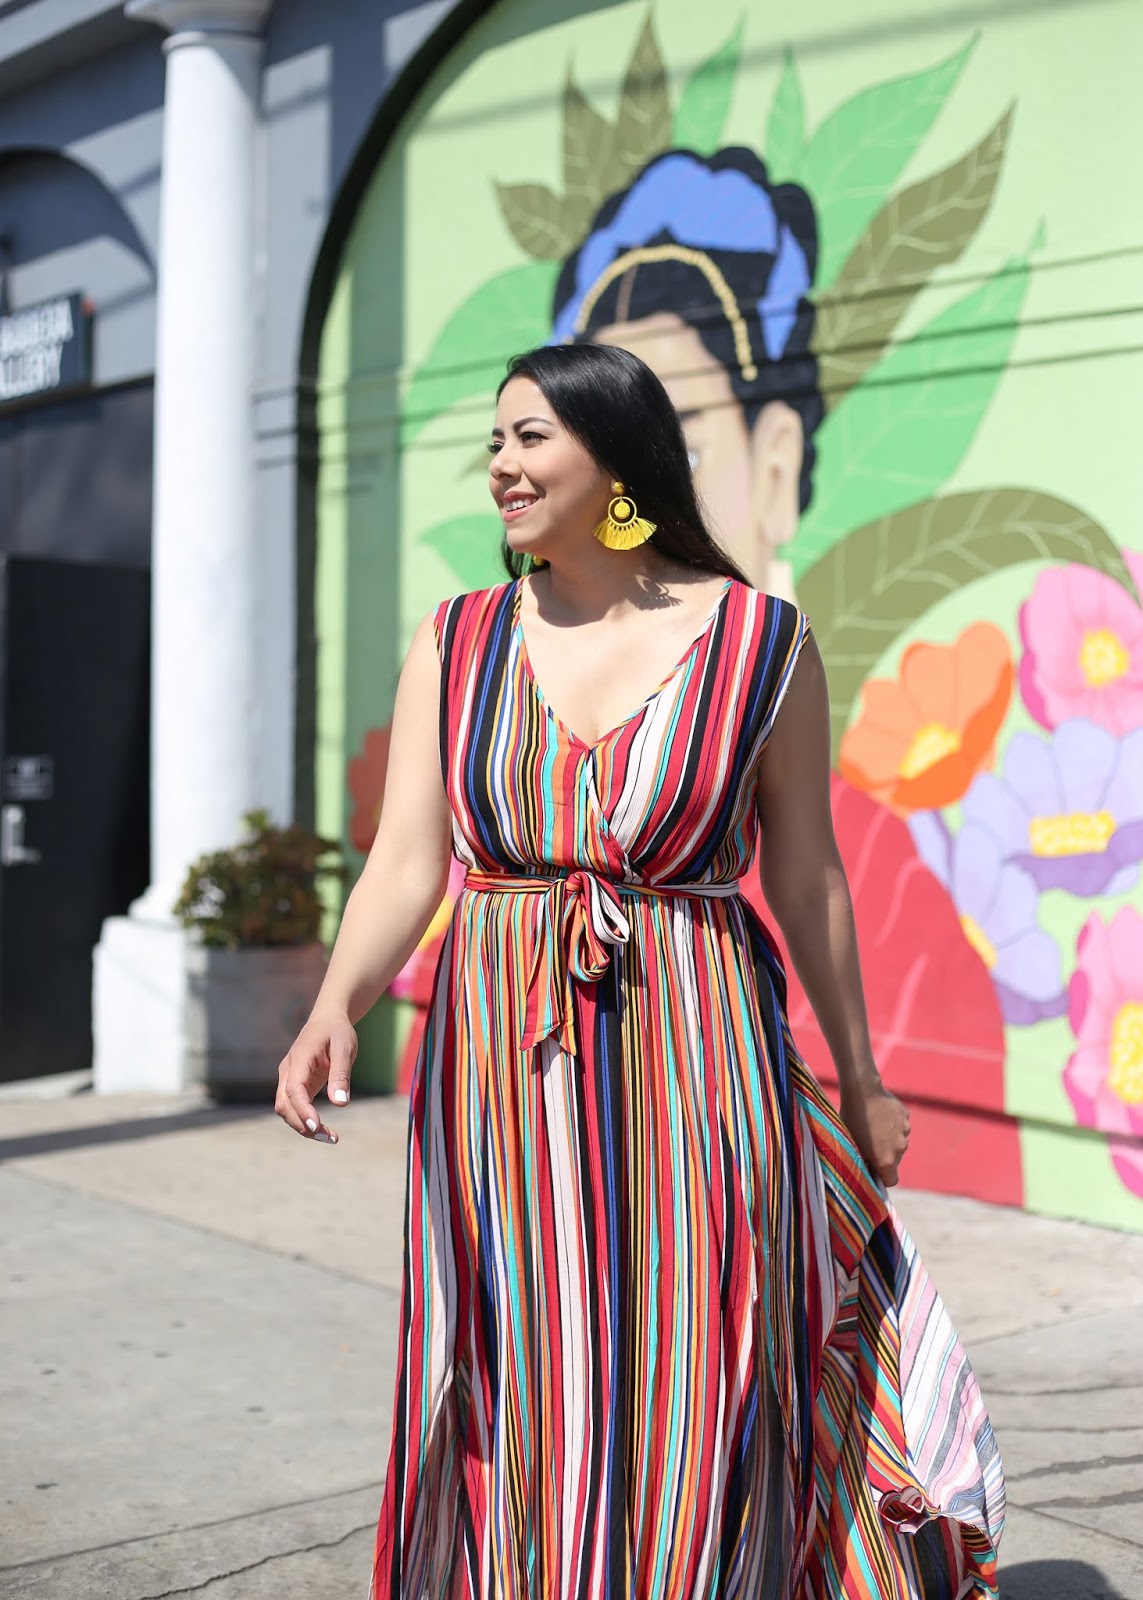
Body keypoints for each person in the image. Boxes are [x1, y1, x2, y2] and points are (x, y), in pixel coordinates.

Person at [276, 342, 1004, 1597]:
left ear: (617, 458)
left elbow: (809, 878)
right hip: (499, 1061)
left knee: (697, 1358)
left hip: (702, 1052)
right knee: (514, 1363)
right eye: (496, 442)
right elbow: (407, 859)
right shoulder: (455, 639)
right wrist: (333, 1005)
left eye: (530, 438)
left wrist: (866, 1076)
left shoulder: (760, 642)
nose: (501, 465)